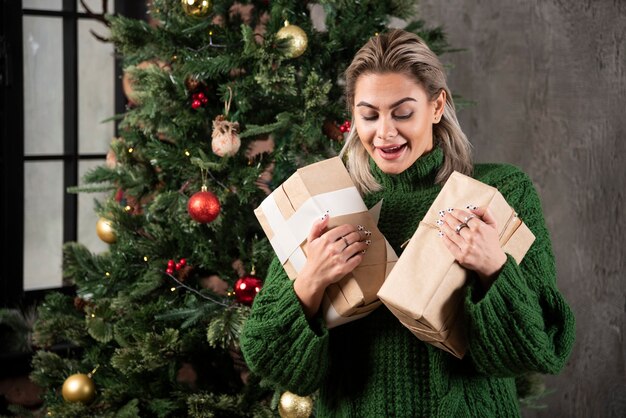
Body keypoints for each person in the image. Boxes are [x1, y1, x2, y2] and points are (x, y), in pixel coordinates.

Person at [240, 29, 575, 417]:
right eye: (369, 115)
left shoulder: (498, 194)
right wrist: (311, 280)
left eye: (403, 112)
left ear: (436, 107)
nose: (385, 133)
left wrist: (493, 268)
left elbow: (541, 346)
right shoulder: (323, 200)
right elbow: (271, 359)